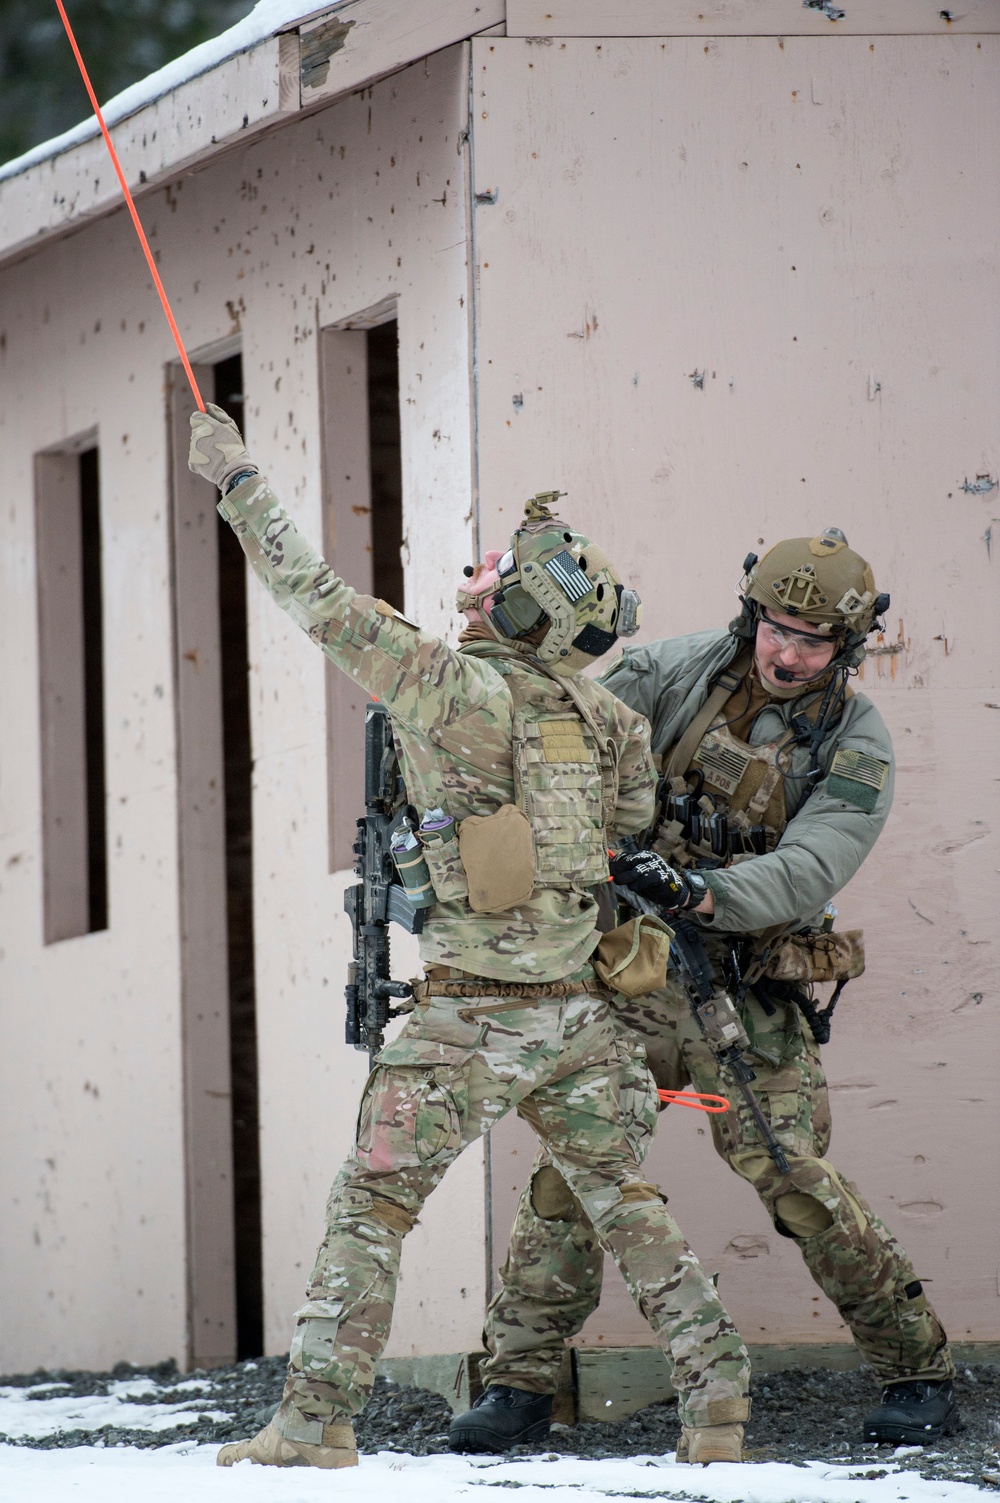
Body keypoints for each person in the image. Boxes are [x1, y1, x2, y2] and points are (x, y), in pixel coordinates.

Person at [187, 404, 751, 1471]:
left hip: (464, 1015)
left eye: (500, 580)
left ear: (528, 608)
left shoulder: (446, 688)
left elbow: (313, 597)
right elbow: (629, 824)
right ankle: (716, 1402)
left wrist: (236, 480)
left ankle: (313, 1421)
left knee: (373, 1203)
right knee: (623, 1200)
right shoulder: (609, 719)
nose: (477, 583)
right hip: (579, 1019)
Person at [450, 531, 959, 1453]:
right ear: (752, 614)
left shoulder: (858, 742)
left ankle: (917, 1367)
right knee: (576, 1173)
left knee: (796, 1178)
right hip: (633, 971)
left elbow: (812, 865)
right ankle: (518, 1382)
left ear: (845, 646)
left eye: (812, 639)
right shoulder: (673, 670)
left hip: (746, 990)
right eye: (776, 627)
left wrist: (699, 891)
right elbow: (569, 741)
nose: (787, 652)